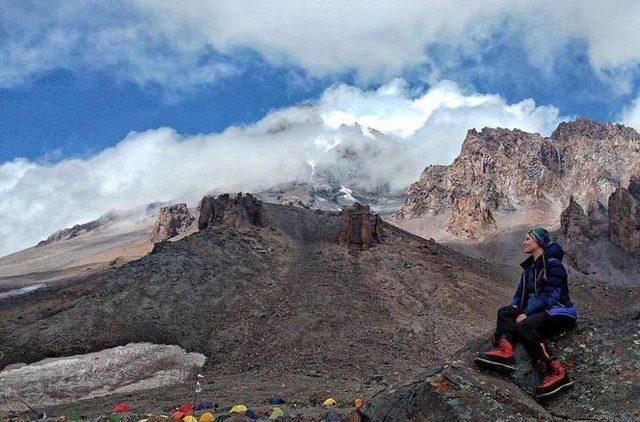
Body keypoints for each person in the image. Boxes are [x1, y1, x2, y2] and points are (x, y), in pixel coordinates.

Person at [475, 227, 578, 399]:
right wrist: (514, 311)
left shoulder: (554, 265)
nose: (524, 242)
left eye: (528, 239)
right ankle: (505, 352)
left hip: (559, 312)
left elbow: (551, 296)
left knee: (525, 325)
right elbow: (518, 296)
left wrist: (527, 313)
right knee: (505, 311)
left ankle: (555, 370)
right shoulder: (529, 269)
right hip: (539, 312)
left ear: (539, 242)